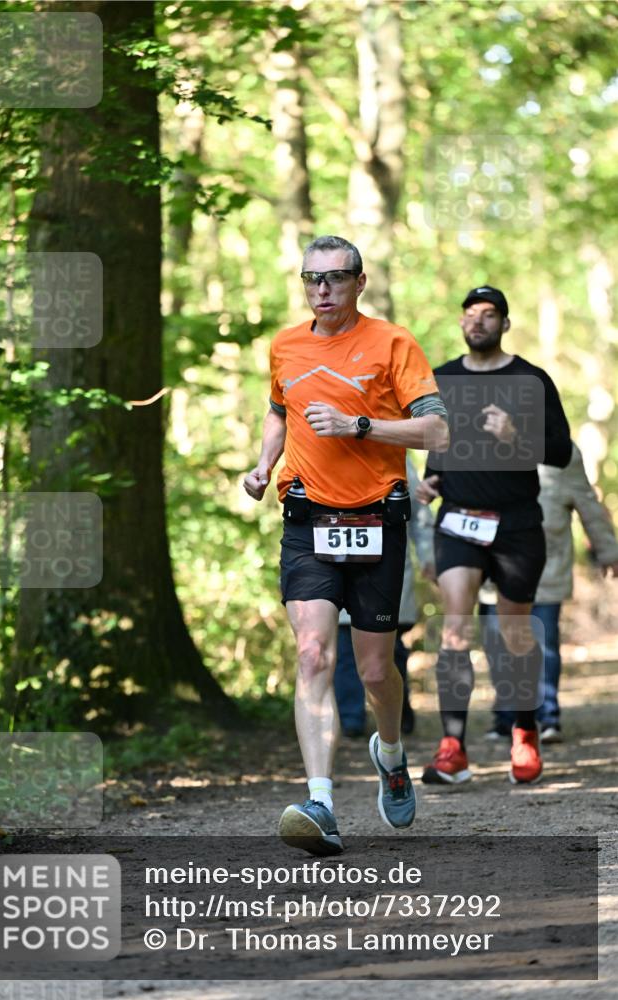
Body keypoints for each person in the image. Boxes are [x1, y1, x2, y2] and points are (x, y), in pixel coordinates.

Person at [243, 235, 449, 855]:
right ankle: (321, 801)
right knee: (312, 656)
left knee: (375, 669)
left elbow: (437, 428)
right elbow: (280, 410)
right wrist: (262, 465)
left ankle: (389, 753)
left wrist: (362, 425)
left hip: (378, 519)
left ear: (359, 282)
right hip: (308, 518)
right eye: (312, 279)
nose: (322, 290)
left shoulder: (393, 343)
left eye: (334, 278)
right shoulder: (285, 345)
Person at [416, 285, 572, 786]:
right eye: (470, 314)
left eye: (488, 315)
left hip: (517, 522)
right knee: (456, 627)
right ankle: (452, 748)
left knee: (514, 635)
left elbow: (560, 452)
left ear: (505, 323)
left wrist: (514, 437)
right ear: (461, 322)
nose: (477, 322)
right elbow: (435, 445)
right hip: (459, 517)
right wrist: (429, 479)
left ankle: (523, 732)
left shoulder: (531, 379)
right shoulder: (441, 378)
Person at [480, 442, 618, 743]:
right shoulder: (479, 442)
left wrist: (608, 550)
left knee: (544, 643)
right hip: (497, 568)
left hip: (548, 567)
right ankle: (506, 716)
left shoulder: (563, 453)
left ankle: (547, 716)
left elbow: (588, 503)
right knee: (498, 644)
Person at [334, 456, 436, 737]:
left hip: (388, 566)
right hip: (339, 563)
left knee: (390, 650)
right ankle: (351, 718)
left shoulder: (396, 455)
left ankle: (398, 713)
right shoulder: (323, 452)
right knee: (344, 650)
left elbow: (419, 513)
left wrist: (428, 556)